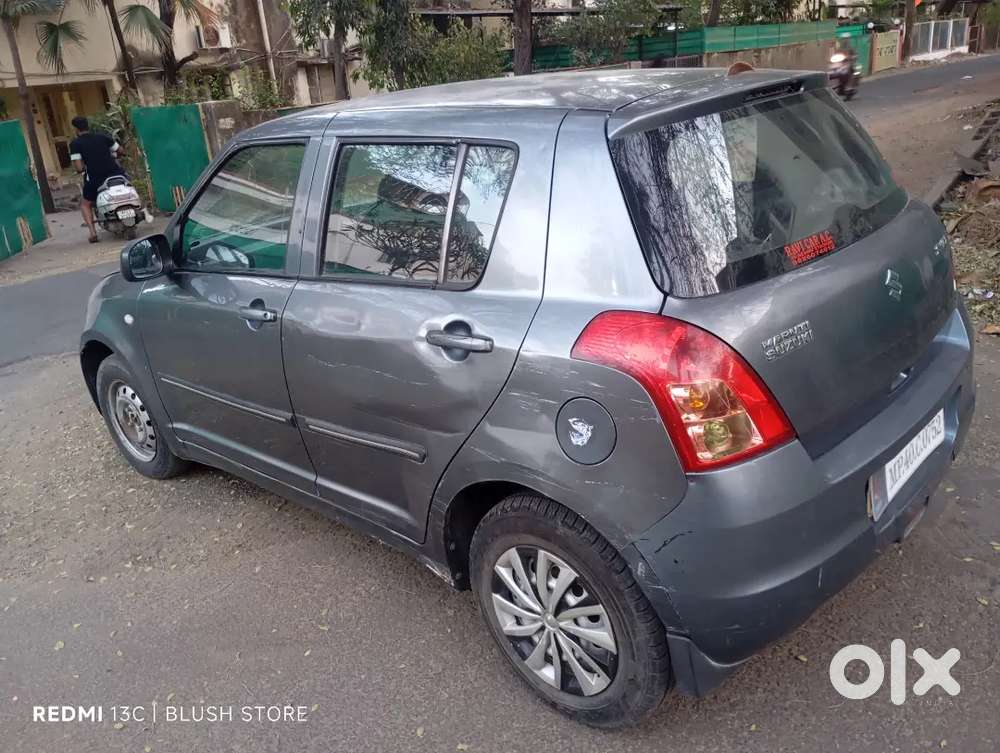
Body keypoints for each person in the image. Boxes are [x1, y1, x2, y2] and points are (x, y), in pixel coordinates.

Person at [70, 116, 125, 243]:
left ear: (76, 129)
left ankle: (93, 232)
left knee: (85, 204)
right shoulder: (103, 137)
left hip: (96, 178)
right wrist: (113, 155)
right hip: (116, 174)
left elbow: (79, 168)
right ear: (87, 126)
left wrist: (85, 165)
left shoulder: (75, 144)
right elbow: (121, 151)